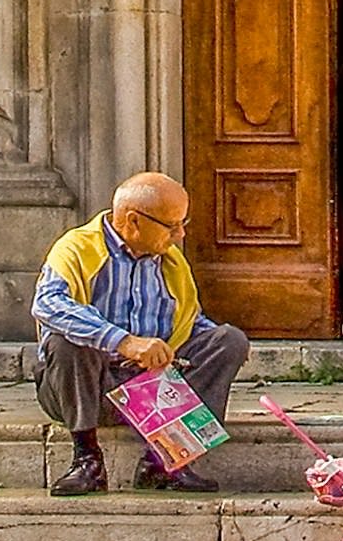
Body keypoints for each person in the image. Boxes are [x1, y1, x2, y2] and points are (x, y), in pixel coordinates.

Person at [31, 171, 249, 496]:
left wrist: (218, 353)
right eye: (172, 225)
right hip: (83, 388)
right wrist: (124, 341)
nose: (180, 234)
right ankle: (86, 460)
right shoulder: (76, 248)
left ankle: (164, 462)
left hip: (149, 391)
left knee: (228, 341)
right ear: (134, 222)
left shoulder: (170, 261)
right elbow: (48, 304)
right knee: (68, 339)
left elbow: (189, 323)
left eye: (182, 223)